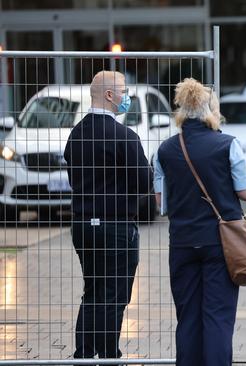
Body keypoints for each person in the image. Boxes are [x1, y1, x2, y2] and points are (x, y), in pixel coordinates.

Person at [157, 78, 246, 366]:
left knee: (187, 316)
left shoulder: (164, 150)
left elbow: (160, 203)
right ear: (211, 109)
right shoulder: (227, 145)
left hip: (182, 242)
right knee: (217, 316)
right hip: (221, 243)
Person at [64, 70, 152, 360]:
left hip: (82, 225)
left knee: (92, 290)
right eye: (123, 91)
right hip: (116, 225)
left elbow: (73, 176)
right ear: (110, 95)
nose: (126, 97)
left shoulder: (76, 134)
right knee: (114, 295)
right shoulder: (124, 136)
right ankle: (109, 353)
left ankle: (84, 353)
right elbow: (143, 182)